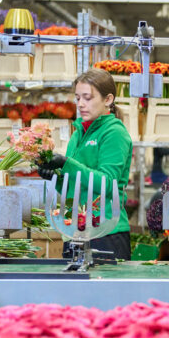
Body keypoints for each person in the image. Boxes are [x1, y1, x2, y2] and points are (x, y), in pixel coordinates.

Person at [37, 68, 133, 260]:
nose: (81, 104)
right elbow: (75, 183)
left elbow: (108, 183)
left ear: (108, 100)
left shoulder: (114, 133)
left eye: (87, 98)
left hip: (105, 232)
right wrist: (56, 177)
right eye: (78, 98)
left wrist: (67, 164)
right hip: (75, 230)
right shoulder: (77, 133)